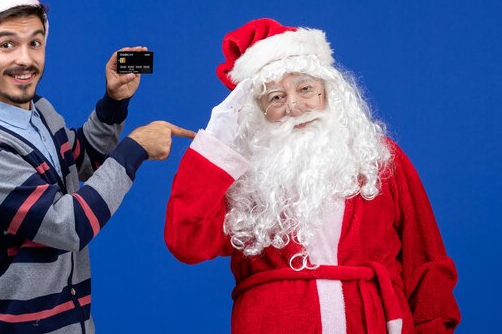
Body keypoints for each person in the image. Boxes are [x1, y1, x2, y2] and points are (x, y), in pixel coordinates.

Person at [164, 18, 460, 334]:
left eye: (305, 88)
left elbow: (426, 261)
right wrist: (216, 143)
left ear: (328, 91)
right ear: (257, 111)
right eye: (275, 97)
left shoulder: (379, 156)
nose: (294, 105)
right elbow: (186, 242)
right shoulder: (242, 172)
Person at [0, 0, 194, 334]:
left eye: (35, 42)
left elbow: (82, 164)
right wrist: (135, 148)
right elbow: (69, 225)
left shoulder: (41, 112)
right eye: (7, 45)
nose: (25, 59)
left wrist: (114, 102)